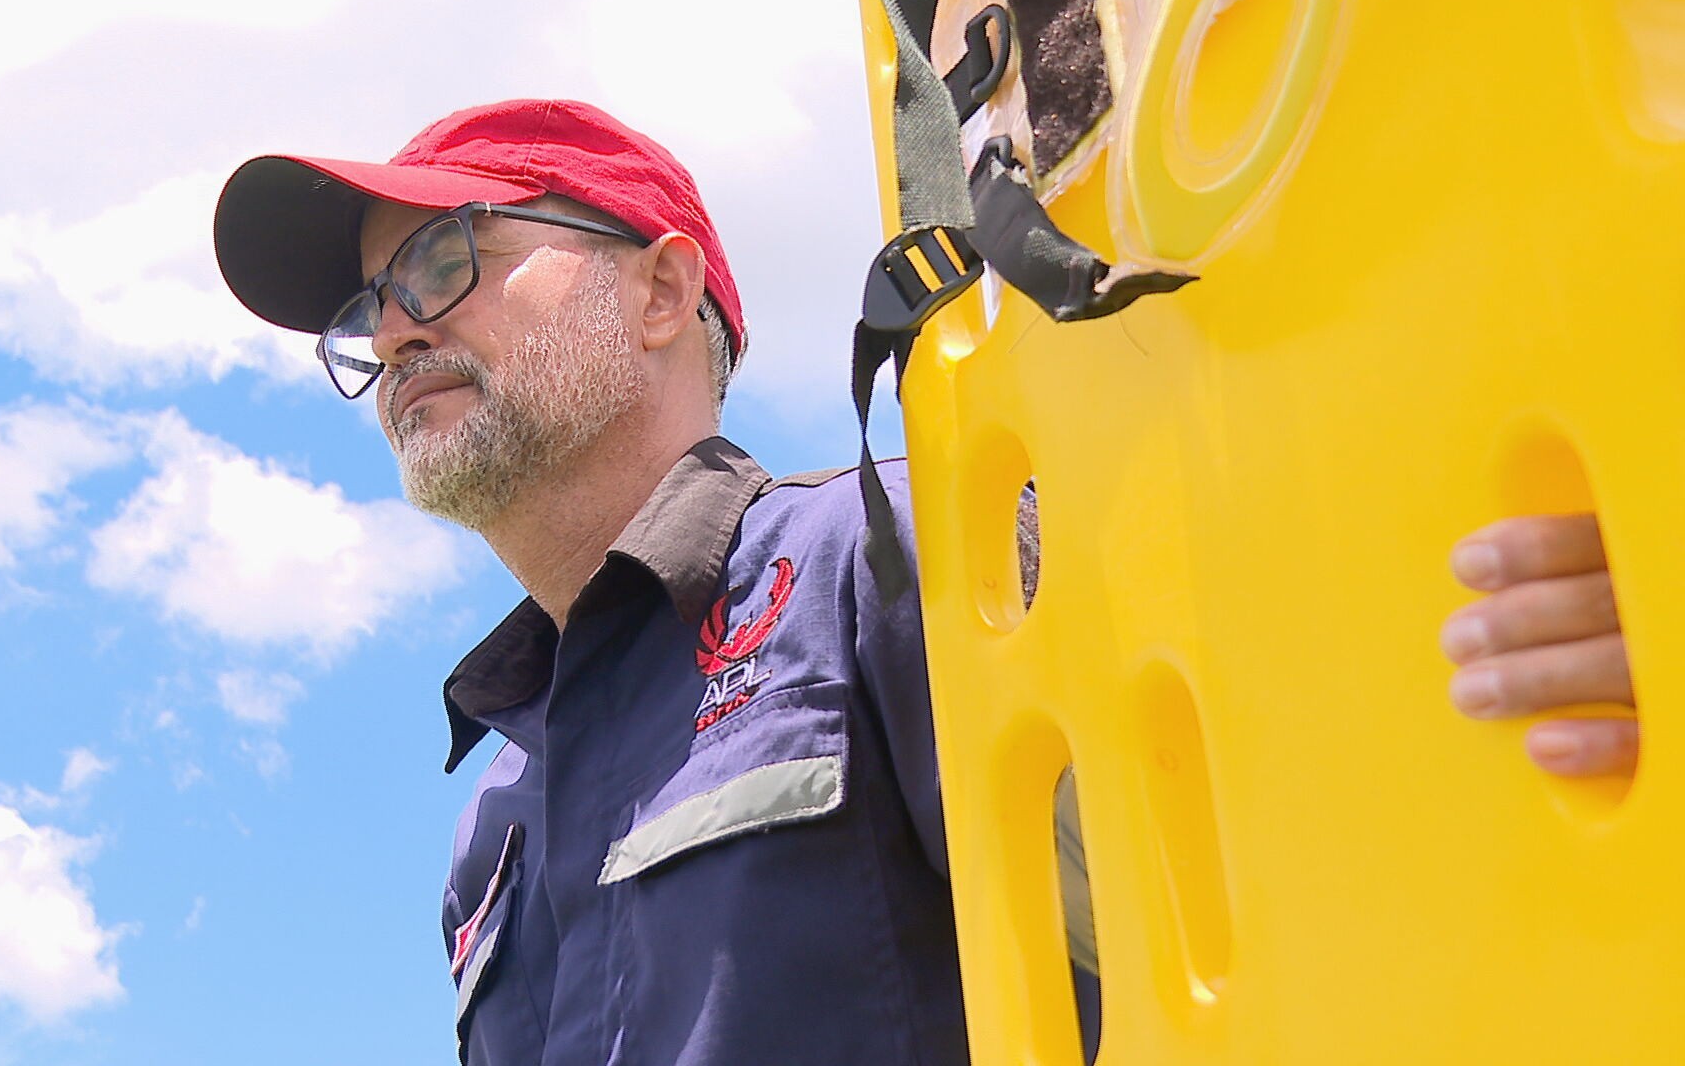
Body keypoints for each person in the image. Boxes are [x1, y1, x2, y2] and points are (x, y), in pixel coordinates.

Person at [212, 99, 1639, 1064]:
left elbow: (1273, 866)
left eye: (447, 257)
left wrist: (1523, 688)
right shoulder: (492, 830)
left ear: (660, 292)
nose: (392, 332)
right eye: (362, 313)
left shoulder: (898, 560)